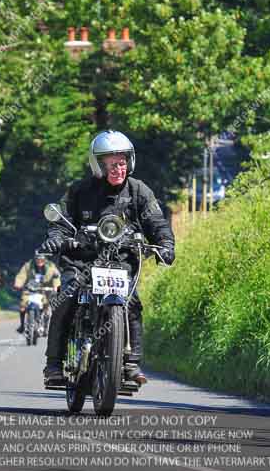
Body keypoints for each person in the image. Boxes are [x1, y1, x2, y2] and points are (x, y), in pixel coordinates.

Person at [40, 130, 175, 385]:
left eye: (122, 161)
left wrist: (165, 244)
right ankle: (54, 365)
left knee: (131, 303)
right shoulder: (79, 191)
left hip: (120, 263)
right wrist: (57, 238)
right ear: (98, 164)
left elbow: (157, 223)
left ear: (130, 161)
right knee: (66, 297)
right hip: (81, 261)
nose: (118, 168)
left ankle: (131, 363)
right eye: (111, 163)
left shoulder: (139, 191)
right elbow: (61, 222)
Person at [13, 251, 61, 334]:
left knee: (47, 307)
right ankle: (22, 325)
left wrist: (56, 287)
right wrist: (18, 284)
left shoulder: (50, 266)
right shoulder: (28, 266)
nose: (39, 261)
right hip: (30, 290)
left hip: (45, 291)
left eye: (41, 260)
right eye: (38, 259)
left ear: (45, 260)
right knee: (23, 305)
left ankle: (46, 327)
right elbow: (21, 276)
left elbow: (56, 277)